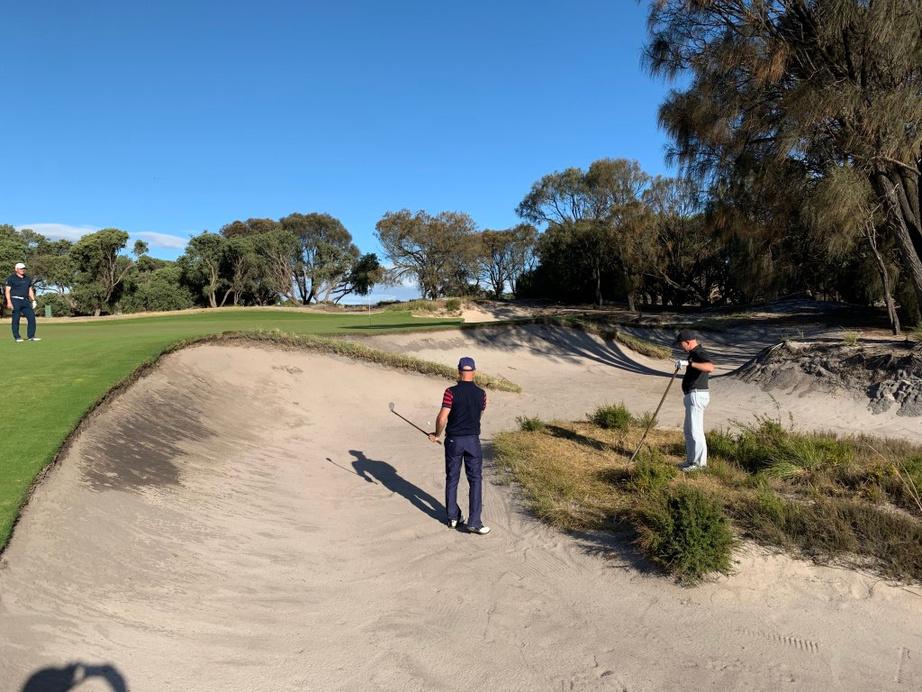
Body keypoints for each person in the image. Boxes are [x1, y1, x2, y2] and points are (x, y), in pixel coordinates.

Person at [428, 356, 490, 535]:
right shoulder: (481, 394)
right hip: (473, 441)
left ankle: (453, 518)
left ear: (459, 371)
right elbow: (479, 414)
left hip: (454, 440)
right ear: (474, 372)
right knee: (475, 479)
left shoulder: (450, 392)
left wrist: (436, 434)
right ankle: (474, 522)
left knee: (452, 478)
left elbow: (442, 417)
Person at [675, 329, 714, 471]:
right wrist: (688, 363)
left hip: (697, 394)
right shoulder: (693, 354)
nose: (680, 346)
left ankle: (699, 465)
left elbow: (710, 367)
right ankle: (691, 461)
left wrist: (689, 364)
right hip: (692, 394)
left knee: (695, 430)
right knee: (689, 430)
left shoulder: (699, 352)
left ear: (688, 342)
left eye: (680, 344)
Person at [5, 262, 41, 342]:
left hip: (25, 300)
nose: (23, 270)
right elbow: (7, 291)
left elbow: (30, 290)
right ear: (16, 269)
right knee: (16, 318)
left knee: (31, 317)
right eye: (21, 269)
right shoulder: (11, 278)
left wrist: (33, 300)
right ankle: (17, 337)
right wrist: (9, 302)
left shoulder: (27, 279)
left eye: (24, 269)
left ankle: (31, 336)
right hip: (15, 300)